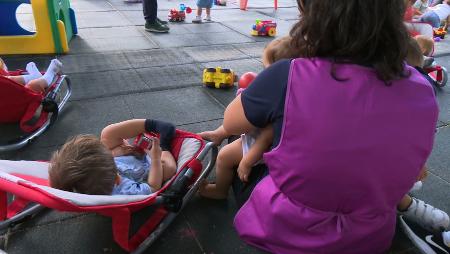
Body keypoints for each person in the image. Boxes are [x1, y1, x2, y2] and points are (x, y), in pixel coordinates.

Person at [203, 0, 449, 253]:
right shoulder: (422, 87)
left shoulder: (289, 74)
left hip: (283, 228)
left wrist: (271, 85)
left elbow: (231, 122)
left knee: (246, 139)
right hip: (369, 234)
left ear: (314, 15)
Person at [199, 36, 296, 199]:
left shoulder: (279, 95)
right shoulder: (293, 88)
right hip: (263, 137)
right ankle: (218, 134)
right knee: (242, 121)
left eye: (267, 69)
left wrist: (247, 162)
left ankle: (219, 191)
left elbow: (265, 139)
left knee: (224, 156)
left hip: (262, 147)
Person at [48, 119, 177, 195]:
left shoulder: (95, 177)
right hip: (148, 166)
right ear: (117, 179)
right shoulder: (124, 190)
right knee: (169, 169)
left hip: (124, 159)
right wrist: (154, 158)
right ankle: (164, 145)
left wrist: (116, 153)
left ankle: (151, 124)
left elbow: (105, 161)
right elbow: (153, 187)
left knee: (107, 133)